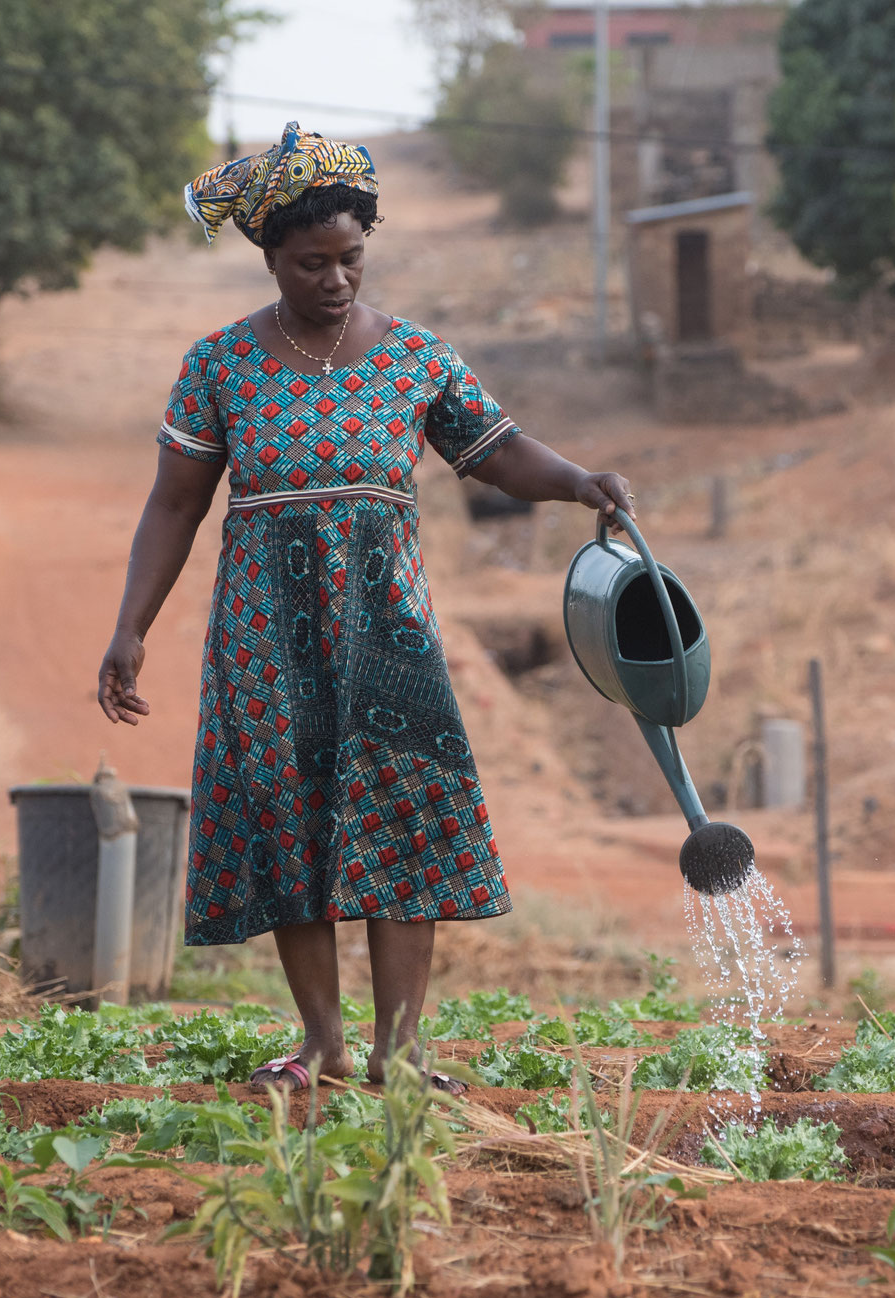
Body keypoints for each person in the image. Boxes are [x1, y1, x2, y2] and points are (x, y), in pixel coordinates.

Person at [95, 124, 633, 1092]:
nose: (335, 279)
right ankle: (322, 1045)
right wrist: (129, 627)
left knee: (404, 829)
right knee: (287, 832)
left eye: (350, 258)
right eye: (311, 263)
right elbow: (174, 502)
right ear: (270, 258)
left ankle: (399, 1051)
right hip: (263, 644)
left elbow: (498, 451)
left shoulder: (416, 358)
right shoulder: (220, 365)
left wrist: (579, 481)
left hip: (389, 636)